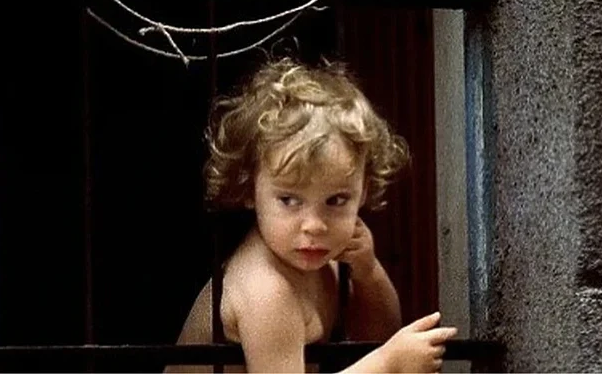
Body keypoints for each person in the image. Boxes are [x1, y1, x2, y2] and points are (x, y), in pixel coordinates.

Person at [166, 57, 457, 373]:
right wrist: (388, 363)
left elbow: (378, 335)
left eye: (336, 200)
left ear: (363, 189)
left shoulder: (319, 255)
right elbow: (382, 353)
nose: (315, 225)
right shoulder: (266, 289)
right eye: (289, 200)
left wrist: (368, 273)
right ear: (249, 188)